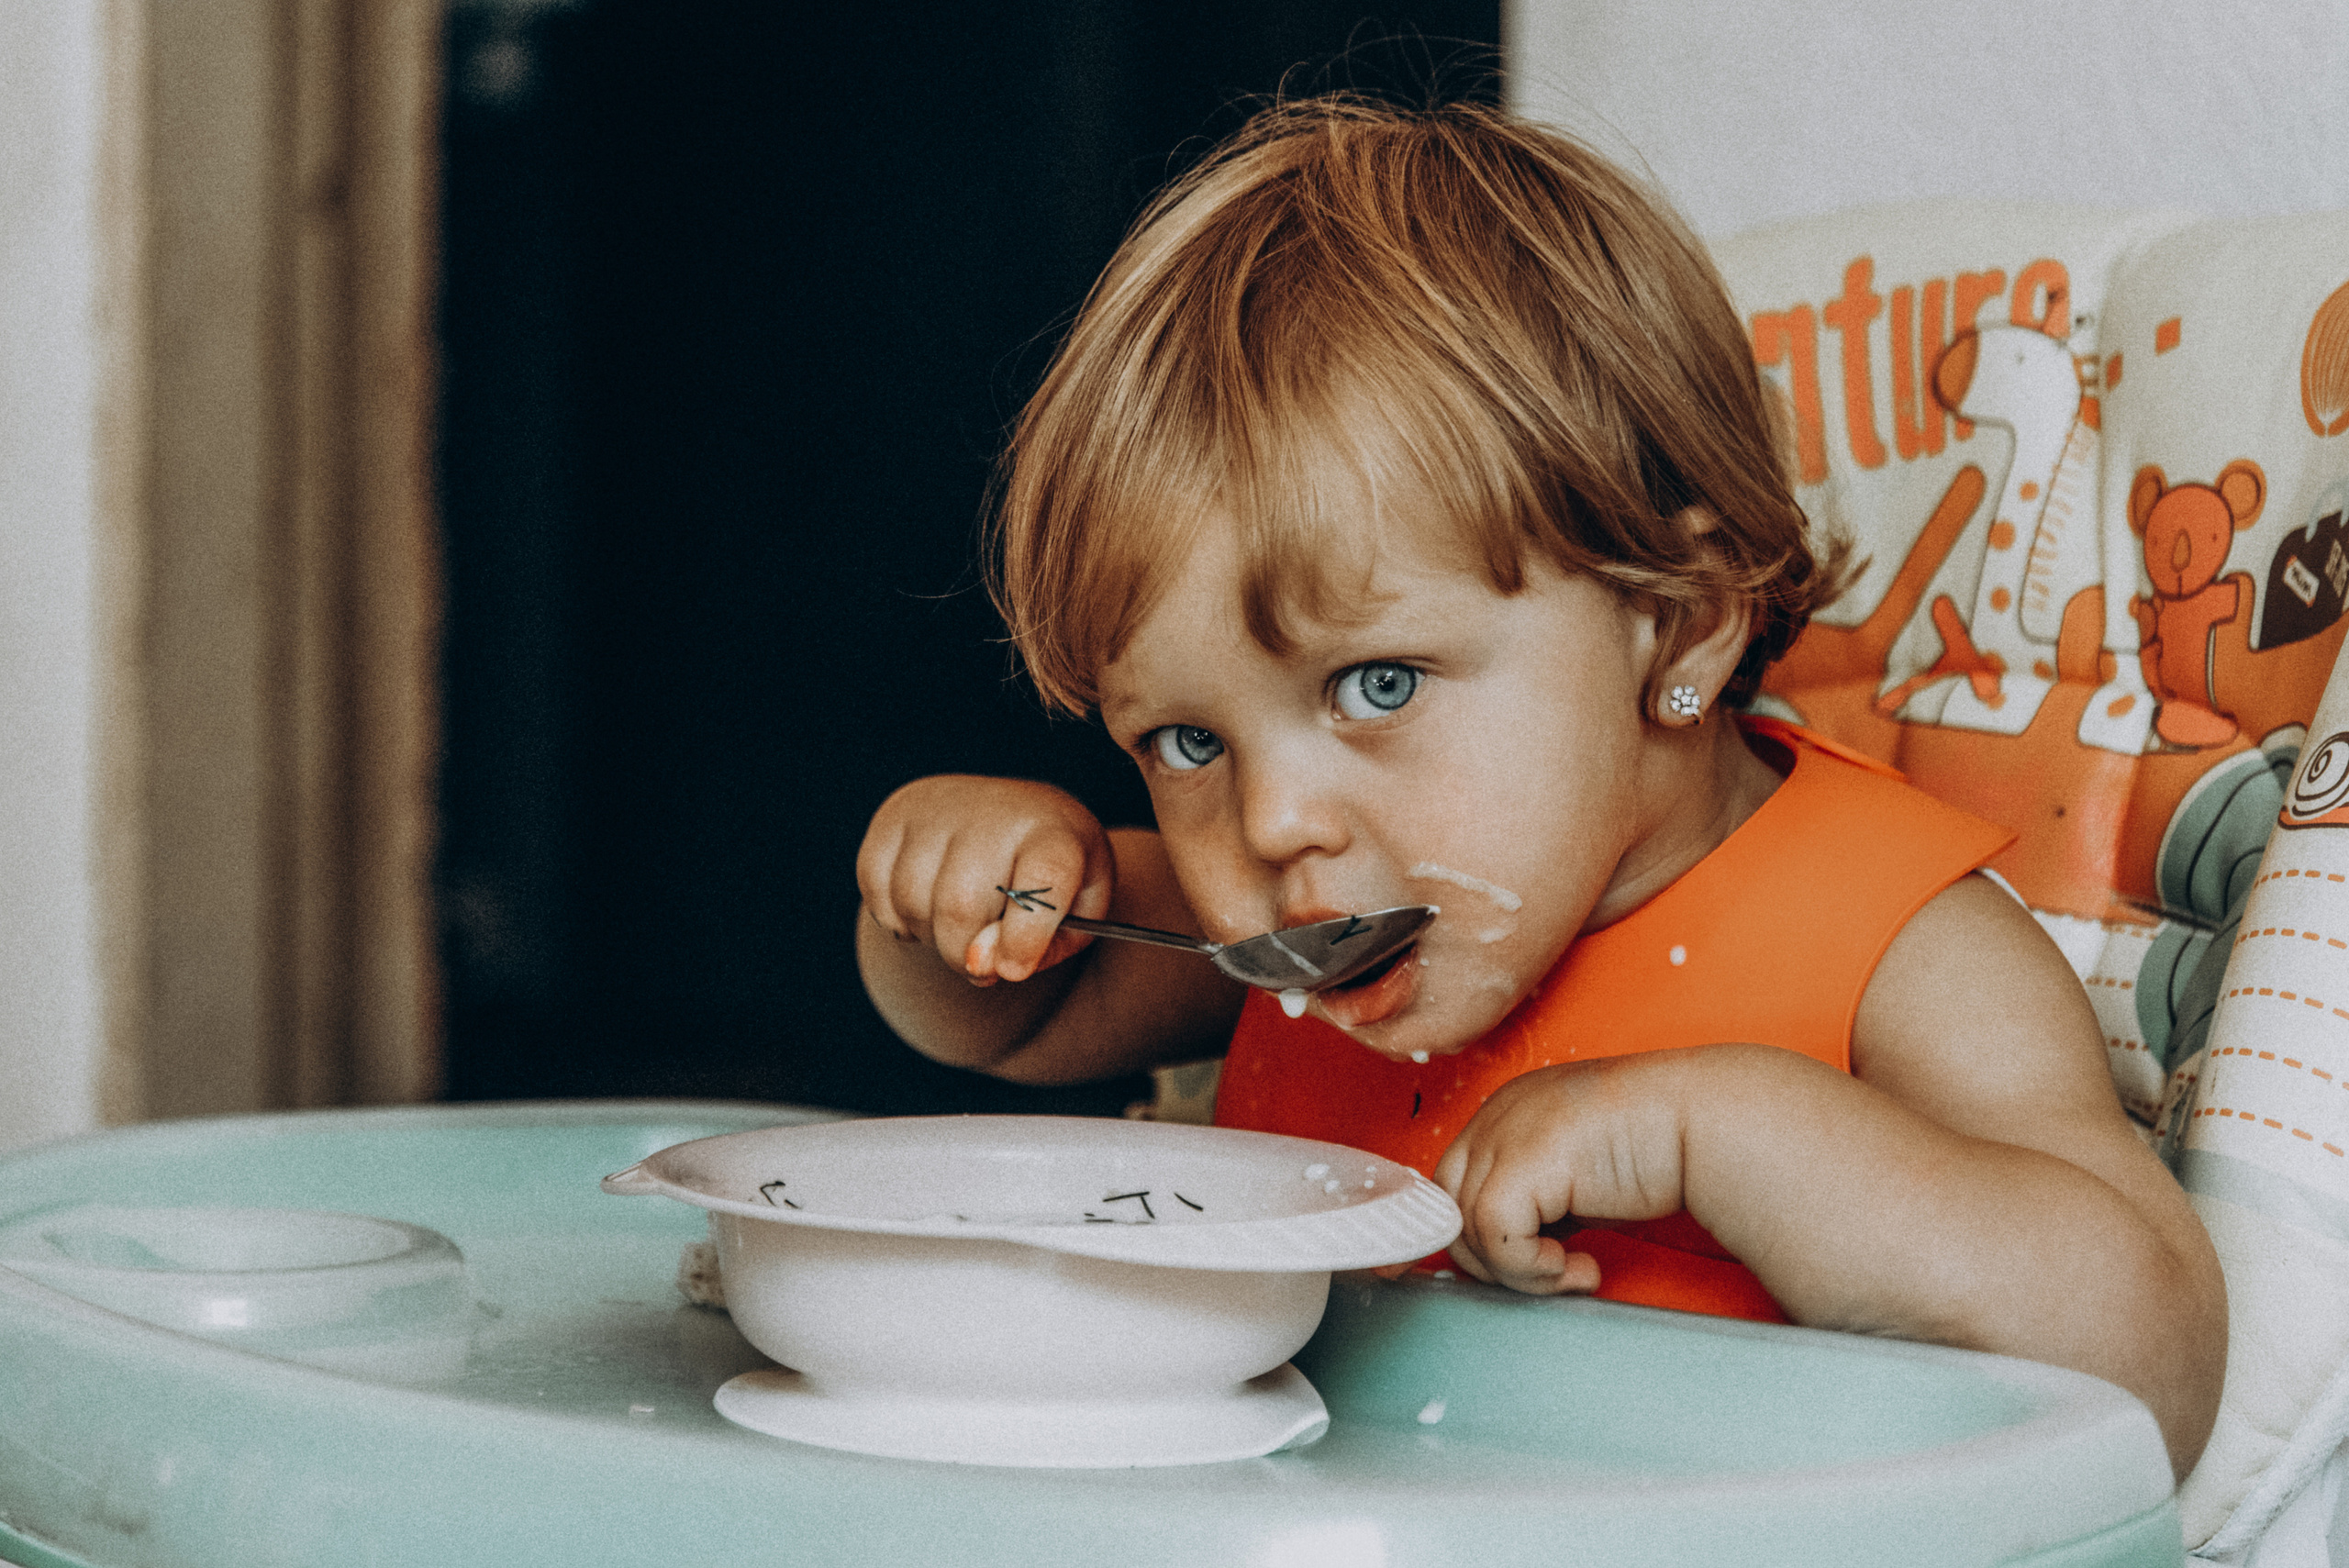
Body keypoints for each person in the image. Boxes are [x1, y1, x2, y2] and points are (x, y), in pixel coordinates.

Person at [852, 94, 2224, 1477]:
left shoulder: (1895, 948)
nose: (1271, 823)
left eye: (1376, 684)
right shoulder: (1301, 935)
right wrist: (958, 897)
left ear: (1678, 624)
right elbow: (1014, 1014)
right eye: (1188, 744)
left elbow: (2151, 1359)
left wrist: (1731, 1134)